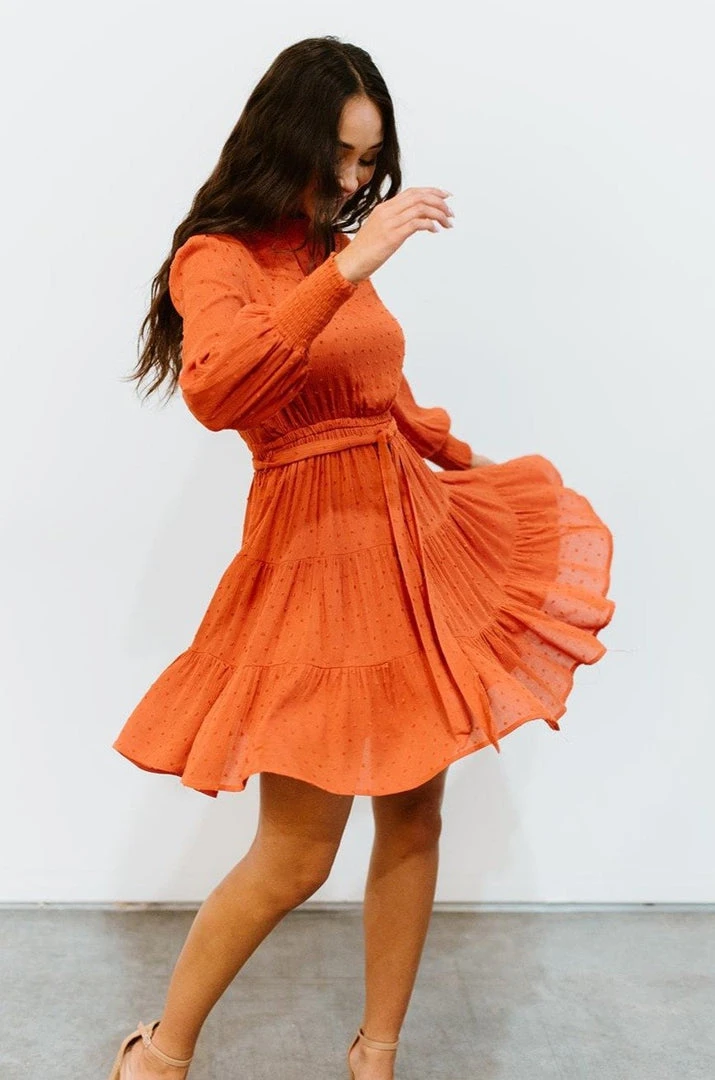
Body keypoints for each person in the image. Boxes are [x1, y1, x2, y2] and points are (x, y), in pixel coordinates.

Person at [107, 35, 615, 1080]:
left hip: (404, 539)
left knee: (417, 811)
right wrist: (348, 266)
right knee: (296, 851)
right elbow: (219, 390)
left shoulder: (325, 246)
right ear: (283, 137)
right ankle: (159, 1053)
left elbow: (372, 386)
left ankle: (374, 1057)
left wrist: (456, 461)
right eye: (338, 155)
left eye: (368, 160)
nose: (351, 180)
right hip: (312, 557)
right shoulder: (219, 260)